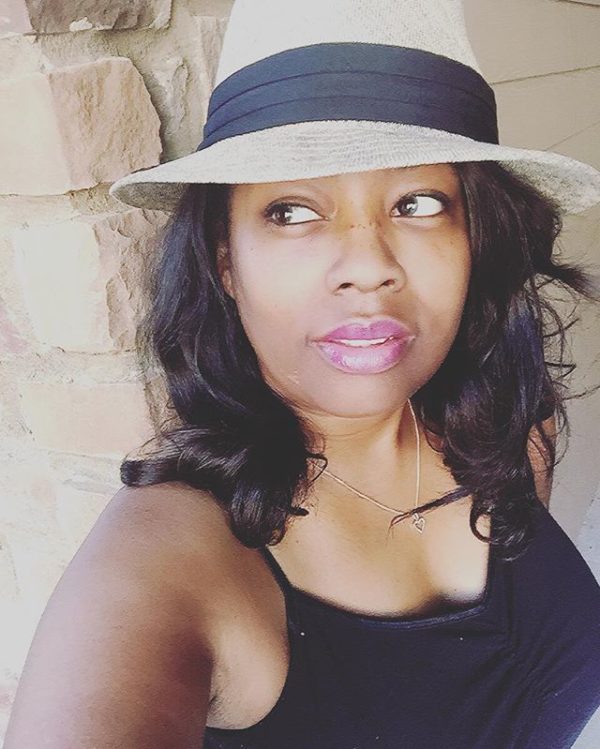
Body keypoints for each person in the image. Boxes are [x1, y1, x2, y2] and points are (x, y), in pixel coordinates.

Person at [5, 1, 600, 747]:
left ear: (475, 238)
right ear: (226, 262)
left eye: (418, 203)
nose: (367, 267)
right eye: (291, 211)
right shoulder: (168, 559)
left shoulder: (513, 432)